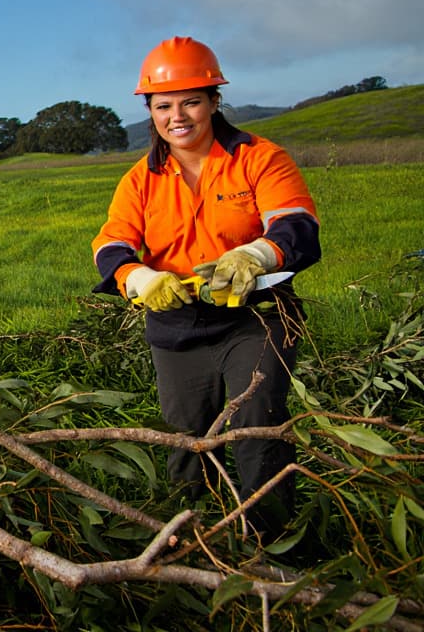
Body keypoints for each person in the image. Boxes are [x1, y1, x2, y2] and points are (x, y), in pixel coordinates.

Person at [91, 36, 321, 536]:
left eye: (191, 101)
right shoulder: (140, 180)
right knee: (185, 439)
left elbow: (296, 225)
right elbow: (110, 246)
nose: (178, 116)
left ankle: (270, 543)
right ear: (150, 110)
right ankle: (193, 538)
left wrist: (256, 254)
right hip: (176, 328)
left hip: (255, 318)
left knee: (256, 425)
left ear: (215, 102)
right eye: (164, 105)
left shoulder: (260, 158)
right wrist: (140, 277)